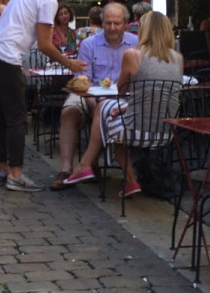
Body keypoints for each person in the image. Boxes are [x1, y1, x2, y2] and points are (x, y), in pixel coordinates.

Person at [0, 0, 87, 192]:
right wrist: (70, 63)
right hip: (7, 57)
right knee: (17, 119)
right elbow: (45, 45)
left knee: (0, 117)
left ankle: (1, 171)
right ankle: (15, 175)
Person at [64, 11, 184, 197]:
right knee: (111, 115)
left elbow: (121, 91)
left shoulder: (133, 55)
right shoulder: (178, 58)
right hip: (166, 132)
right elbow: (158, 96)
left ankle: (92, 167)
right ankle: (118, 177)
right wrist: (126, 108)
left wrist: (122, 106)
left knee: (104, 111)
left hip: (135, 130)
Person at [51, 3, 138, 191]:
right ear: (102, 22)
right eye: (108, 23)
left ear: (126, 23)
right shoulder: (90, 44)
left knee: (105, 111)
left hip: (125, 97)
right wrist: (92, 99)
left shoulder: (136, 44)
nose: (112, 28)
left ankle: (91, 164)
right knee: (69, 112)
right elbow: (82, 79)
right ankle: (66, 169)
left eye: (117, 23)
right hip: (90, 93)